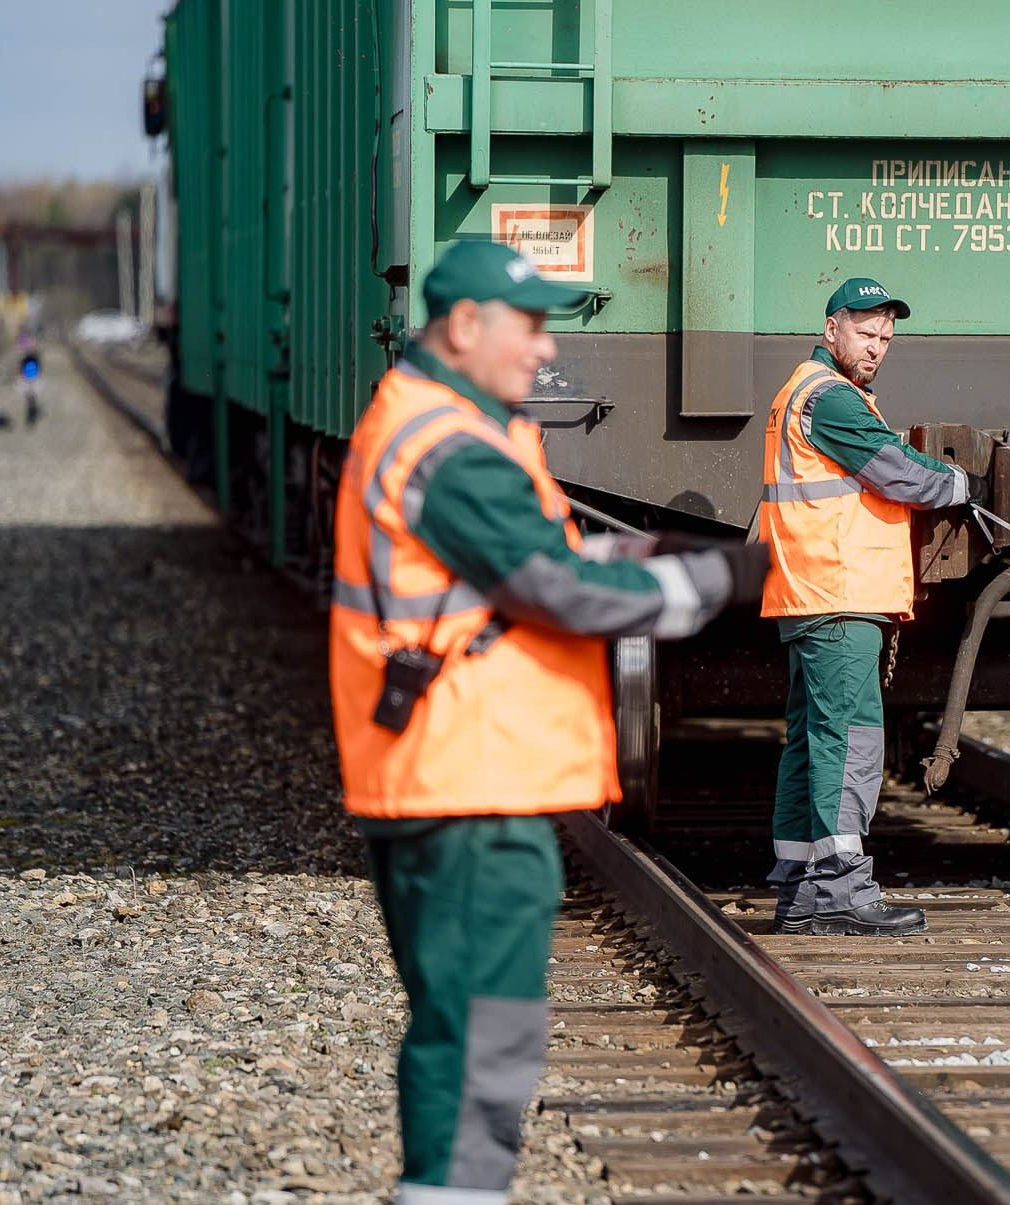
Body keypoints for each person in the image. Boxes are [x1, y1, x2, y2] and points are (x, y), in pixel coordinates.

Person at [329, 239, 768, 1203]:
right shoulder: (447, 447)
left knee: (468, 1027)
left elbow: (537, 556)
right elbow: (558, 591)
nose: (543, 347)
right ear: (464, 326)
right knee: (481, 1037)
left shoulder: (448, 425)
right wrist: (717, 580)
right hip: (467, 784)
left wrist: (655, 549)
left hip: (458, 774)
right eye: (527, 326)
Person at [759, 276, 979, 937]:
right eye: (864, 332)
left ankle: (801, 890)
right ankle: (841, 890)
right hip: (839, 592)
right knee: (848, 739)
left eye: (886, 337)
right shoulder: (828, 398)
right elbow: (898, 471)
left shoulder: (808, 392)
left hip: (816, 594)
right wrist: (960, 483)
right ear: (831, 330)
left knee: (812, 740)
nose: (876, 346)